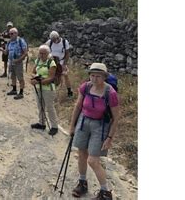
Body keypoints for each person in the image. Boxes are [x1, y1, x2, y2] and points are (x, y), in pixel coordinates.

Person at [69, 63, 120, 200]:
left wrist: (109, 138)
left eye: (98, 76)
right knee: (81, 154)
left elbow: (116, 118)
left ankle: (105, 192)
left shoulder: (111, 93)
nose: (94, 78)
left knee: (93, 160)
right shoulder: (85, 87)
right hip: (83, 122)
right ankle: (82, 183)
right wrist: (72, 125)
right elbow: (78, 106)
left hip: (101, 126)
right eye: (92, 75)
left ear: (104, 77)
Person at [29, 45, 59, 135]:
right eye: (40, 53)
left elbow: (51, 78)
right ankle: (42, 123)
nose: (41, 55)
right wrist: (34, 78)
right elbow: (33, 72)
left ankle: (54, 126)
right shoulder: (37, 61)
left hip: (48, 89)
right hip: (39, 87)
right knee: (40, 105)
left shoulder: (51, 63)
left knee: (50, 107)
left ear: (48, 53)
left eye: (43, 53)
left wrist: (37, 81)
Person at [45, 31, 74, 97]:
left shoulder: (64, 42)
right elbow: (45, 50)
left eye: (55, 39)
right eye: (53, 40)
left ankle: (69, 91)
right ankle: (52, 91)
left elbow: (67, 54)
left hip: (61, 61)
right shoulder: (49, 42)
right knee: (53, 76)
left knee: (65, 75)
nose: (55, 41)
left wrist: (64, 64)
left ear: (58, 37)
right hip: (53, 62)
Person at [6, 27, 28, 100]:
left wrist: (18, 60)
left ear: (16, 33)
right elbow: (7, 52)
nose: (10, 35)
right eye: (9, 34)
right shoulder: (9, 42)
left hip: (18, 62)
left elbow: (25, 53)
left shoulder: (21, 41)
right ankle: (14, 89)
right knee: (12, 76)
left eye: (12, 33)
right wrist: (3, 51)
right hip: (11, 61)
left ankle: (21, 92)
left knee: (20, 77)